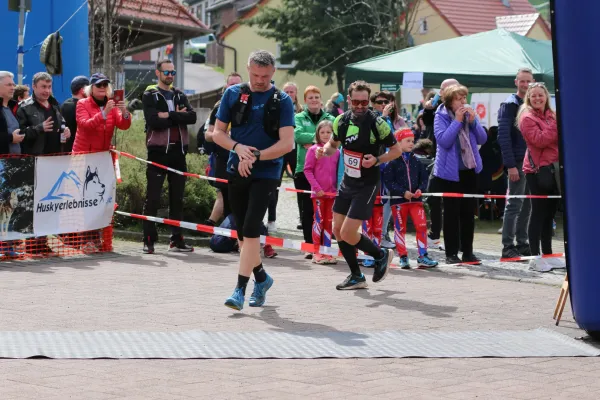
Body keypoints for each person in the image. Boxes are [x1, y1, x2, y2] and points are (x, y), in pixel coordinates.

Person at [212, 50, 295, 310]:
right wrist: (238, 148)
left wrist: (256, 156)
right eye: (256, 75)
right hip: (236, 169)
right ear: (248, 68)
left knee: (250, 229)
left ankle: (239, 289)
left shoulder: (282, 100)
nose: (260, 80)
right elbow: (217, 133)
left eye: (266, 76)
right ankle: (262, 278)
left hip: (267, 172)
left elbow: (287, 143)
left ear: (273, 73)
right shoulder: (233, 94)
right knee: (241, 233)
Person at [317, 80, 402, 290]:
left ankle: (380, 254)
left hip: (367, 183)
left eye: (365, 102)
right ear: (348, 100)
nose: (361, 106)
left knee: (347, 232)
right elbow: (333, 145)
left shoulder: (378, 123)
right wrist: (324, 150)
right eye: (356, 102)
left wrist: (377, 159)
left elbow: (396, 151)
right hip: (347, 181)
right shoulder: (340, 121)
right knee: (337, 231)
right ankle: (356, 276)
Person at [141, 58, 197, 254]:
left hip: (178, 152)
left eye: (172, 72)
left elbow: (192, 117)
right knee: (153, 198)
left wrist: (169, 115)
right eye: (167, 72)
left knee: (177, 198)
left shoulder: (179, 94)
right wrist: (176, 115)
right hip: (158, 152)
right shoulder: (150, 95)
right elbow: (153, 121)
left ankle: (176, 239)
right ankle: (148, 239)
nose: (170, 76)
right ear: (158, 73)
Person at [17, 72, 71, 255]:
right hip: (35, 161)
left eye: (49, 87)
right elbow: (20, 135)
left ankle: (44, 242)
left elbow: (61, 123)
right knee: (33, 204)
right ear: (33, 87)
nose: (47, 91)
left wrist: (66, 130)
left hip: (55, 160)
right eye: (43, 87)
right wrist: (39, 129)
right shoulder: (24, 107)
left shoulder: (55, 104)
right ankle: (32, 244)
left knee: (51, 203)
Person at [433, 84, 487, 265]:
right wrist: (456, 121)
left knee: (468, 213)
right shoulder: (440, 116)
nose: (463, 102)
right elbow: (444, 141)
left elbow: (482, 139)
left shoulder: (469, 116)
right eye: (459, 98)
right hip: (449, 174)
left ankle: (468, 253)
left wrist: (473, 122)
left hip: (469, 171)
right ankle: (451, 253)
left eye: (464, 98)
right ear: (449, 101)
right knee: (450, 213)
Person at [517, 83, 562, 272]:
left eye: (540, 95)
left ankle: (549, 254)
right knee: (537, 213)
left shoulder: (551, 115)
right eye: (533, 95)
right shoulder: (527, 118)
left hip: (553, 169)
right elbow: (540, 139)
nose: (537, 98)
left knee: (549, 215)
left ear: (546, 97)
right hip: (536, 172)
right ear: (528, 97)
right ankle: (534, 257)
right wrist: (557, 126)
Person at [383, 128, 438, 269]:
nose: (411, 143)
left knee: (422, 226)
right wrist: (403, 192)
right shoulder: (392, 161)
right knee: (399, 228)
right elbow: (389, 181)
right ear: (398, 142)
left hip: (416, 201)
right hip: (399, 202)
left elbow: (424, 178)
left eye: (412, 141)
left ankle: (423, 256)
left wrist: (420, 189)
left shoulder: (416, 160)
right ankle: (403, 257)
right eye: (407, 141)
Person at [294, 85, 335, 257]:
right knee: (306, 210)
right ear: (305, 100)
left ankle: (324, 246)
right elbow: (297, 136)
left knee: (326, 212)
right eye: (310, 97)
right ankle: (309, 246)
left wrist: (311, 141)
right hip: (303, 169)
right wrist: (318, 139)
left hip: (326, 172)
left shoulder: (331, 118)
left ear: (321, 98)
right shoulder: (298, 117)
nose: (314, 100)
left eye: (316, 97)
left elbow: (335, 138)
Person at [498, 68, 534, 259]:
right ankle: (507, 246)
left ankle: (522, 243)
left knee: (527, 204)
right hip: (518, 161)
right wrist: (510, 165)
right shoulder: (509, 104)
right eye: (522, 81)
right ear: (516, 82)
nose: (526, 85)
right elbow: (503, 137)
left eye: (529, 81)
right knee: (514, 204)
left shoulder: (531, 105)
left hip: (531, 161)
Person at [422, 79, 459, 251]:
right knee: (433, 195)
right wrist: (428, 107)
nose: (443, 92)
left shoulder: (460, 108)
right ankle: (435, 235)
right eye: (441, 89)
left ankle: (452, 239)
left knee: (454, 203)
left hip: (458, 161)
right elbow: (428, 121)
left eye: (446, 89)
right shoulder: (438, 108)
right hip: (439, 158)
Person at [204, 72, 243, 226]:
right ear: (226, 86)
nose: (234, 87)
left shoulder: (249, 105)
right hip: (223, 158)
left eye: (237, 84)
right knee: (226, 199)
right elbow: (208, 134)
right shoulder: (219, 107)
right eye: (231, 84)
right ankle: (229, 238)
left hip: (243, 158)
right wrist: (220, 134)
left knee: (241, 200)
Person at [267, 81, 302, 233]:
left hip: (296, 151)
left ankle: (302, 218)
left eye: (292, 91)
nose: (289, 94)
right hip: (281, 149)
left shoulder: (301, 111)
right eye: (286, 91)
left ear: (296, 94)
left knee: (300, 185)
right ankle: (271, 219)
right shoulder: (278, 108)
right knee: (275, 185)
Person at [304, 119, 339, 265]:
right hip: (318, 194)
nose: (325, 135)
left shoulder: (336, 152)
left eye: (328, 132)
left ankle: (327, 252)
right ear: (317, 133)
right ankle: (317, 252)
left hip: (332, 194)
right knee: (319, 221)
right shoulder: (313, 150)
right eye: (322, 132)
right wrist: (317, 188)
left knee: (329, 223)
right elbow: (307, 170)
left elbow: (339, 172)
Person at [0, 72, 26, 258]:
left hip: (12, 165)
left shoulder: (11, 107)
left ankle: (6, 246)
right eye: (9, 84)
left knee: (8, 208)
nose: (13, 87)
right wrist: (11, 137)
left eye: (13, 84)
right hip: (2, 165)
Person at [73, 74, 131, 152]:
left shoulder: (111, 104)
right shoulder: (82, 103)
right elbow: (85, 126)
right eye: (99, 85)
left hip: (103, 155)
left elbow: (124, 126)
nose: (102, 87)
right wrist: (104, 113)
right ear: (91, 88)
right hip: (83, 154)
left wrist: (125, 113)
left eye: (105, 84)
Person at [61, 75, 89, 153]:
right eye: (89, 89)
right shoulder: (84, 106)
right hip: (80, 150)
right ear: (82, 90)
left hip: (66, 150)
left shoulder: (64, 105)